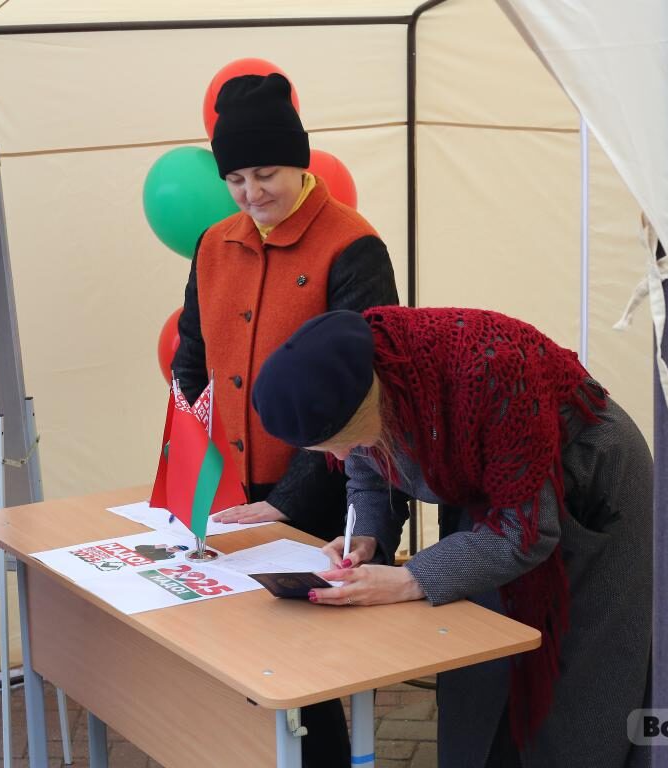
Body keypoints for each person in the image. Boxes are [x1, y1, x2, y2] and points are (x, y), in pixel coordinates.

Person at [251, 308, 654, 768]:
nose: (342, 456)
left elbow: (523, 531)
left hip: (590, 487)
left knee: (579, 685)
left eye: (342, 442)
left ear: (370, 405)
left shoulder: (493, 371)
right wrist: (363, 536)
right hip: (496, 502)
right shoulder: (359, 386)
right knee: (480, 676)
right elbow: (365, 475)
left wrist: (410, 578)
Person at [171, 72, 399, 768]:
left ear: (300, 161)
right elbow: (191, 356)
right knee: (239, 660)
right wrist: (198, 461)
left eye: (265, 173)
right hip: (234, 489)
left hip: (325, 491)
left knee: (308, 674)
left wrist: (287, 503)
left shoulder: (352, 245)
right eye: (235, 179)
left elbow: (364, 394)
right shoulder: (214, 244)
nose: (252, 194)